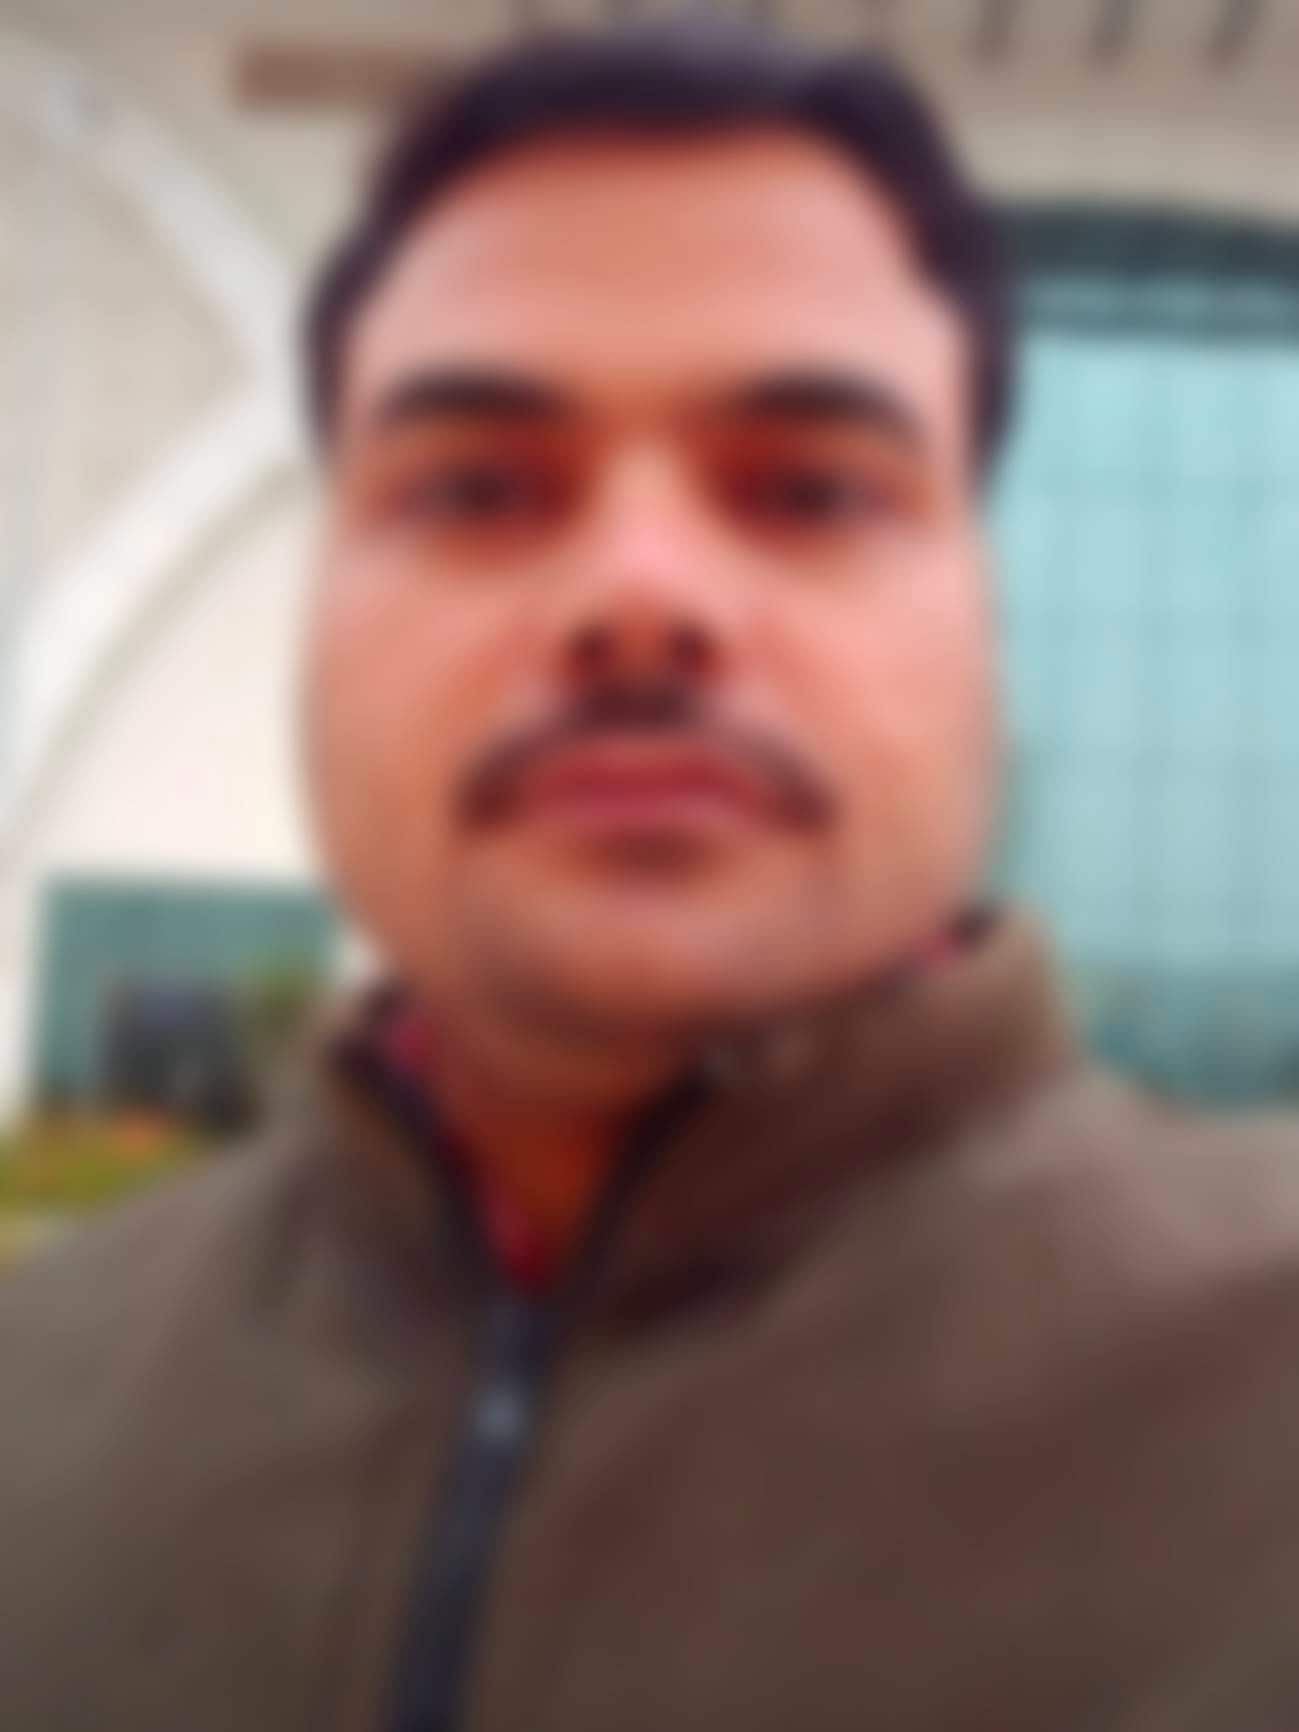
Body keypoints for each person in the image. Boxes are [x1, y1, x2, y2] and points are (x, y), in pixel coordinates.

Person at [5, 18, 1299, 1732]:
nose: (639, 591)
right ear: (315, 608)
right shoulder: (38, 1402)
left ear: (986, 625)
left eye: (810, 490)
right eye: (478, 486)